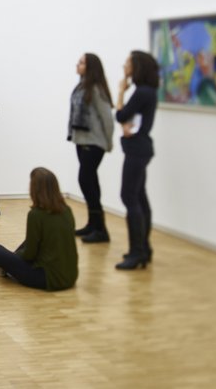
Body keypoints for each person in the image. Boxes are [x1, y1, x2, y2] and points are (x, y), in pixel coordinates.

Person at [0, 168, 78, 291]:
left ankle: (4, 268)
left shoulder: (36, 214)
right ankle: (7, 267)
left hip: (47, 278)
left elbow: (29, 255)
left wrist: (13, 259)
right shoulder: (67, 210)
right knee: (28, 242)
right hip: (70, 276)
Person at [114, 51, 159, 270]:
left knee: (129, 196)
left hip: (137, 149)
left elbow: (121, 116)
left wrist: (121, 91)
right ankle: (143, 249)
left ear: (137, 66)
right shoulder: (147, 91)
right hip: (140, 148)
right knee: (139, 197)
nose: (124, 65)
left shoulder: (141, 92)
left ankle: (137, 252)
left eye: (128, 62)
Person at [68, 53, 115, 244]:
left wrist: (108, 142)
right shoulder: (82, 86)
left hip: (94, 143)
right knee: (90, 182)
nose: (77, 65)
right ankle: (93, 224)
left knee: (85, 180)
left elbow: (107, 118)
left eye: (81, 63)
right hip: (81, 140)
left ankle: (101, 229)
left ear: (90, 67)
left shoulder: (96, 89)